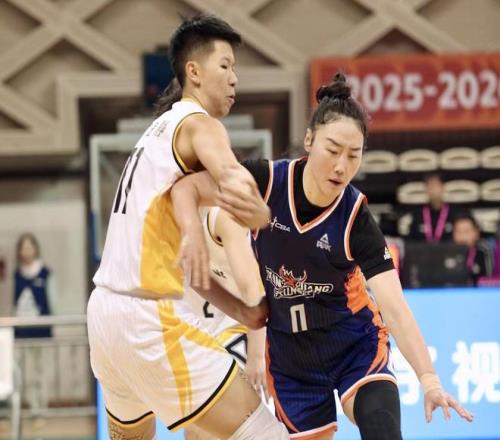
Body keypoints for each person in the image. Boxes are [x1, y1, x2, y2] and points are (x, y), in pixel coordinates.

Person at [172, 73, 473, 439]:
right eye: (332, 150)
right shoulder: (265, 181)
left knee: (383, 430)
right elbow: (188, 187)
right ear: (309, 141)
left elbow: (395, 307)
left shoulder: (355, 218)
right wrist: (190, 228)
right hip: (291, 360)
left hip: (353, 344)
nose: (341, 166)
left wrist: (429, 379)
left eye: (353, 155)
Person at [87, 14, 288, 440]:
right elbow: (233, 178)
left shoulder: (154, 135)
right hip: (147, 320)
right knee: (265, 435)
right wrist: (257, 207)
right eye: (225, 65)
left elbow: (190, 270)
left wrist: (243, 312)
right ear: (193, 72)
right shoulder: (200, 125)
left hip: (104, 317)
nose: (234, 78)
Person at [183, 207, 270, 440]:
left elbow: (254, 288)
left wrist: (257, 357)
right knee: (195, 430)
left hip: (236, 333)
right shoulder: (171, 214)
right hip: (196, 337)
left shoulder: (221, 217)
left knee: (218, 427)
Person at [14, 233, 54, 339]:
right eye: (23, 248)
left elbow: (53, 302)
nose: (26, 252)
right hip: (21, 330)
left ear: (35, 249)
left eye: (29, 247)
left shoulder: (45, 273)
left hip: (41, 330)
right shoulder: (16, 274)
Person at [407, 172, 457, 242]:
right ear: (426, 189)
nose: (433, 190)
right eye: (430, 186)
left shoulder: (454, 213)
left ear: (443, 188)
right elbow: (411, 240)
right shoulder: (418, 214)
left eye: (436, 186)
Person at [452, 214, 494, 285]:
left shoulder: (483, 250)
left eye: (466, 231)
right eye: (458, 231)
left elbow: (488, 280)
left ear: (476, 233)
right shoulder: (448, 251)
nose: (462, 236)